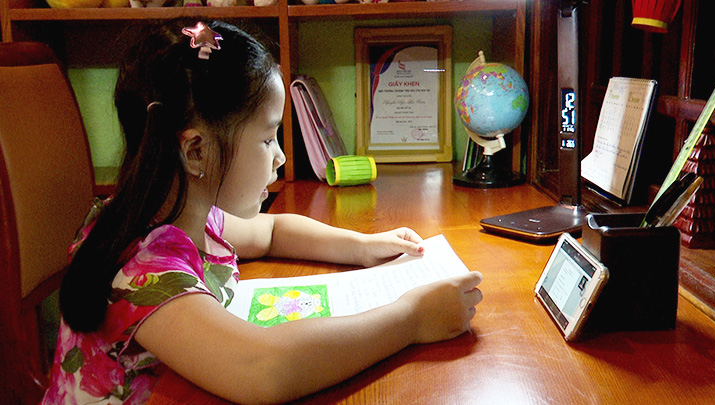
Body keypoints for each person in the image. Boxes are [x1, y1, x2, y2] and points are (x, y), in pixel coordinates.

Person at [43, 19, 483, 404]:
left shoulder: (182, 210)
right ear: (196, 151)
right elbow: (264, 367)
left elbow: (271, 231)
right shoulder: (142, 270)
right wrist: (411, 318)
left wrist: (362, 246)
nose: (281, 157)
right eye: (268, 138)